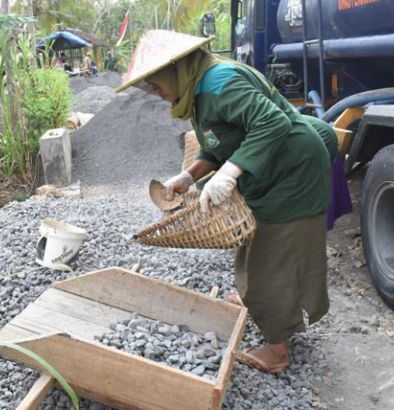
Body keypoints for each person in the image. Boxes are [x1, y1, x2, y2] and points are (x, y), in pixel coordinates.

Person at [116, 30, 333, 374]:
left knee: (273, 253)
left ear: (176, 70)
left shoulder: (220, 83)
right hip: (270, 167)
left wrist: (230, 172)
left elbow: (272, 121)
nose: (158, 95)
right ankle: (255, 302)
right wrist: (189, 176)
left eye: (157, 86)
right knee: (252, 242)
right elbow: (221, 139)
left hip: (293, 169)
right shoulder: (197, 90)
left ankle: (276, 348)